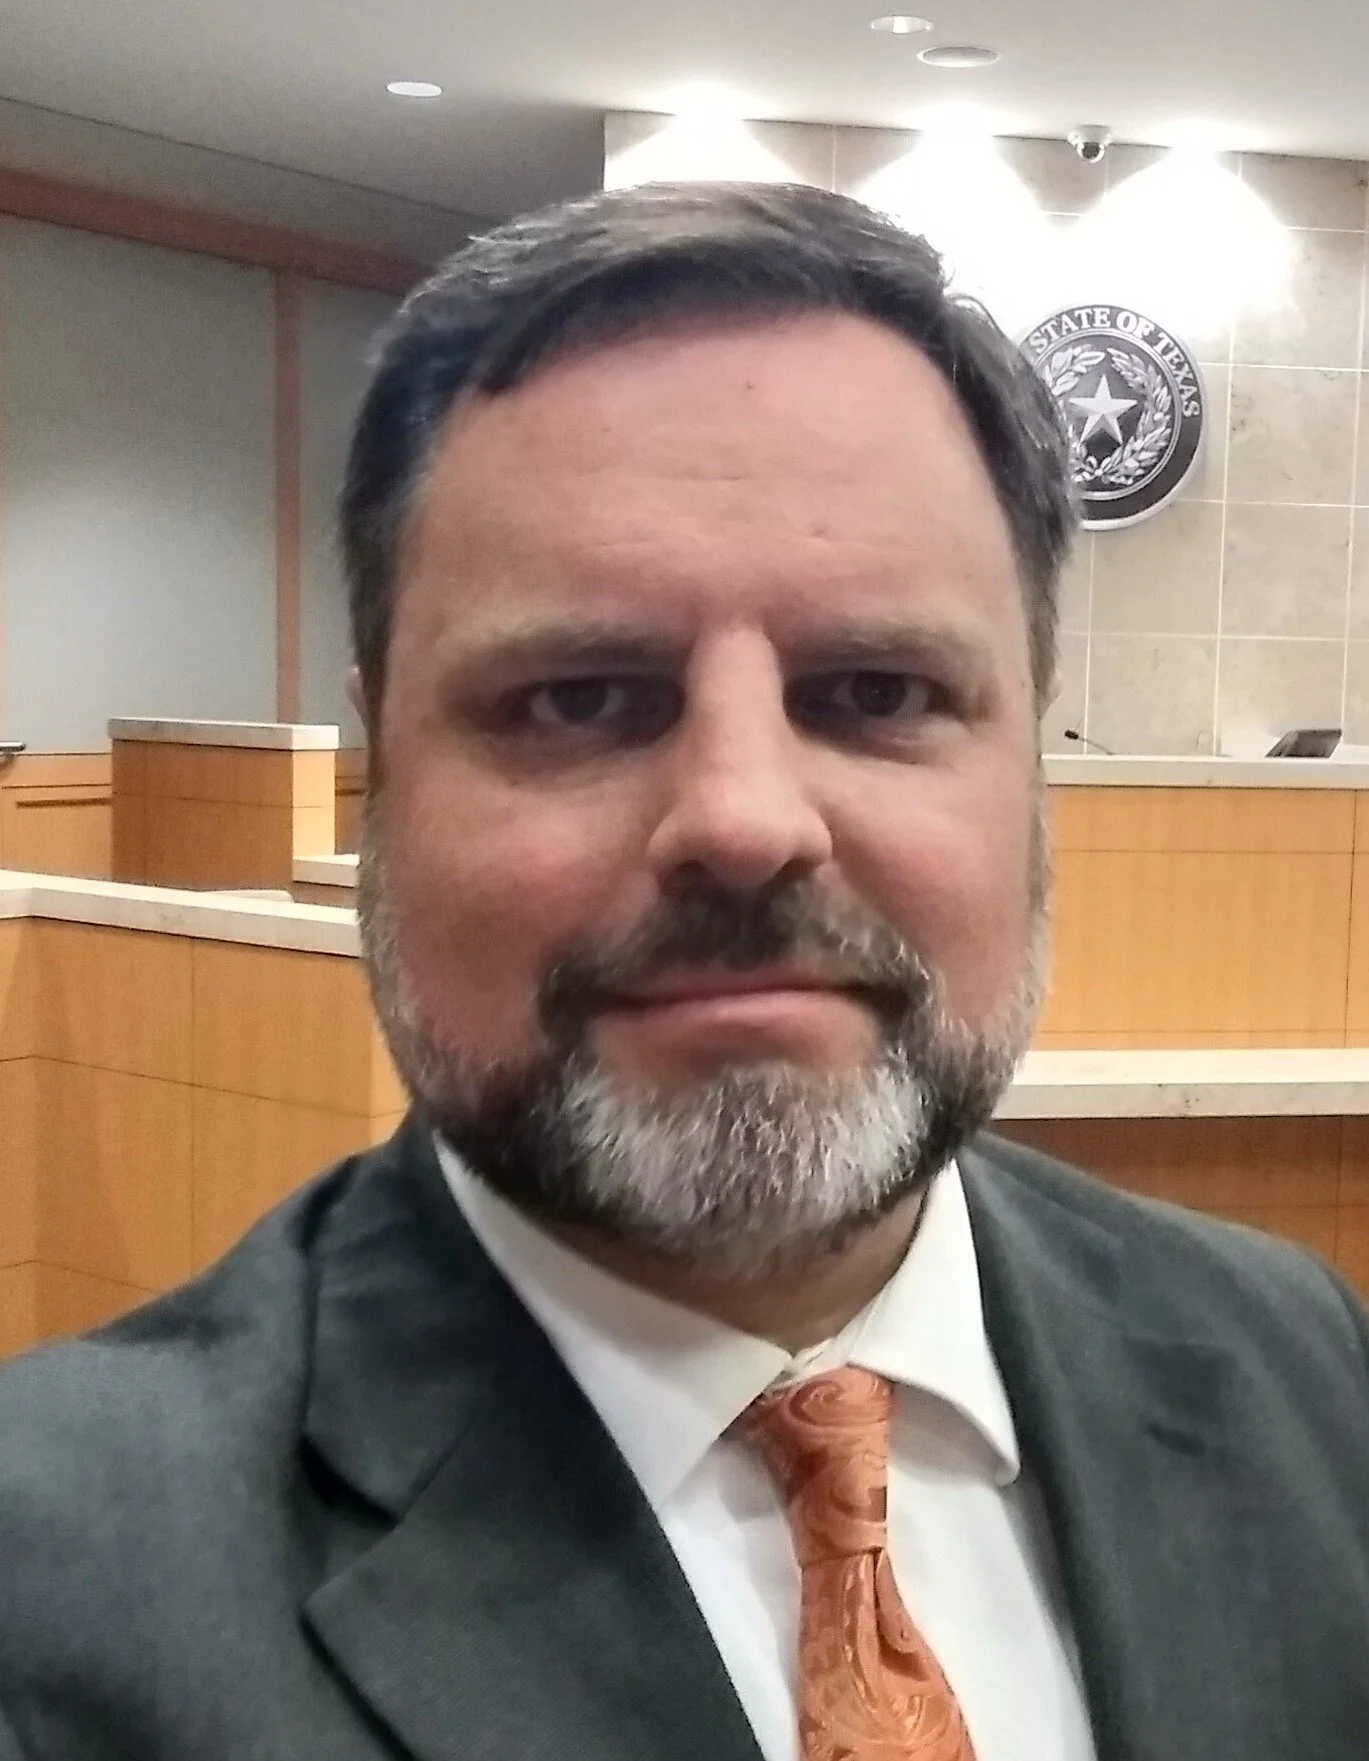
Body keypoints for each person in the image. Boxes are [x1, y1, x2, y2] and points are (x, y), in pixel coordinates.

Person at [0, 180, 1366, 1761]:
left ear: (1032, 758)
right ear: (387, 770)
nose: (742, 819)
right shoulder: (51, 1588)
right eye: (581, 698)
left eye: (873, 687)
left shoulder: (1298, 1361)